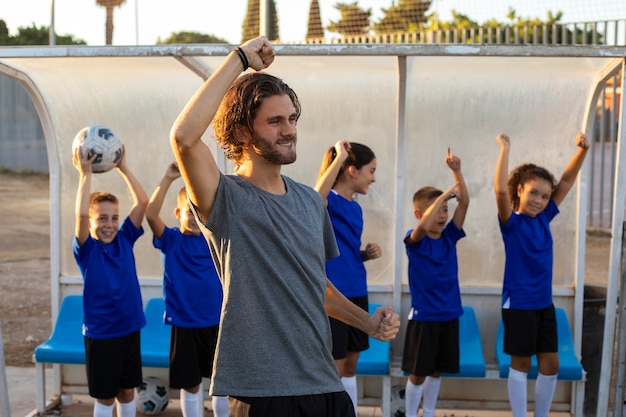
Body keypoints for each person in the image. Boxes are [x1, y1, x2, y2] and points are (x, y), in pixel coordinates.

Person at [169, 35, 400, 417]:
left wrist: (368, 323)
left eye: (291, 118)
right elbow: (183, 138)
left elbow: (318, 288)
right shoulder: (225, 197)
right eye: (275, 121)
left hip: (325, 384)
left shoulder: (310, 201)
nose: (290, 130)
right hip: (264, 394)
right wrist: (239, 59)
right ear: (243, 132)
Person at [494, 132, 589, 417]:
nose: (539, 200)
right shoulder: (511, 222)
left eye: (545, 196)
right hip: (519, 304)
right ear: (520, 190)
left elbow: (568, 181)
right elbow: (499, 191)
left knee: (551, 365)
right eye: (533, 192)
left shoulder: (545, 217)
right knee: (521, 364)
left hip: (543, 304)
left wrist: (582, 150)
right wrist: (505, 149)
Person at [72, 144, 149, 417]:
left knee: (127, 391)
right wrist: (85, 174)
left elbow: (142, 203)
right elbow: (80, 214)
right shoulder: (86, 250)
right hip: (101, 334)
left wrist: (123, 167)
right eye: (102, 218)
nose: (109, 224)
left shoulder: (125, 238)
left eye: (114, 217)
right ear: (91, 223)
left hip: (129, 329)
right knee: (105, 398)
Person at [146, 162, 228, 417]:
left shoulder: (215, 239)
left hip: (217, 322)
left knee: (221, 384)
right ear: (178, 212)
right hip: (184, 325)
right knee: (191, 385)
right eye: (188, 211)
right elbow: (150, 215)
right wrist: (168, 178)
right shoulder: (171, 239)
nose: (194, 217)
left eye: (198, 211)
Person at [314, 139, 382, 414]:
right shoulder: (327, 201)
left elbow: (342, 250)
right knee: (335, 368)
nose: (374, 178)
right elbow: (315, 197)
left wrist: (364, 254)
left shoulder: (356, 207)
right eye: (371, 170)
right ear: (352, 170)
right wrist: (339, 157)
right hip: (334, 297)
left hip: (358, 290)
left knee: (351, 366)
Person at [401, 148, 469, 417]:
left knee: (438, 369)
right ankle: (410, 413)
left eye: (444, 210)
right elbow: (419, 230)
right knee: (418, 373)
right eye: (436, 210)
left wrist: (456, 171)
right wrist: (443, 195)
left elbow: (464, 203)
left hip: (449, 315)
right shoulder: (414, 240)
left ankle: (428, 412)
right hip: (424, 317)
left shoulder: (450, 236)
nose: (442, 215)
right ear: (419, 215)